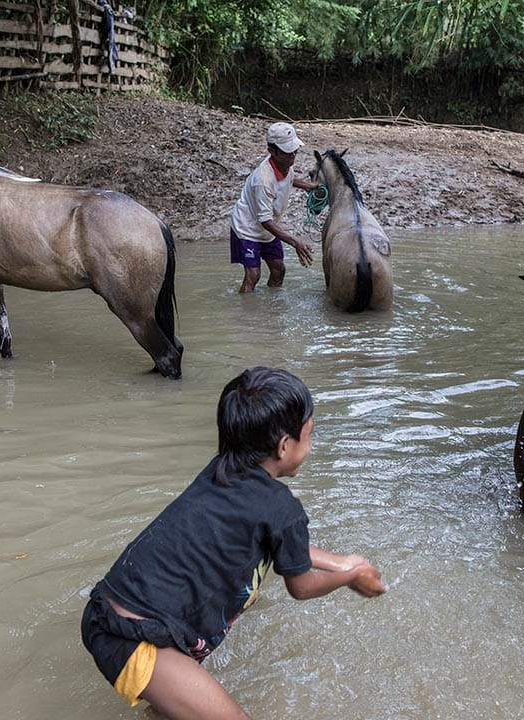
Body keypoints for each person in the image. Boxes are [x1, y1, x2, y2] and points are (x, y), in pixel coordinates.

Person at [81, 366, 387, 719]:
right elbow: (301, 587)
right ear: (285, 446)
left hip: (108, 612)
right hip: (137, 639)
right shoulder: (281, 507)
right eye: (309, 436)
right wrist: (350, 578)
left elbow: (281, 545)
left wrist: (340, 562)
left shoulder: (220, 473)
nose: (311, 446)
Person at [230, 122, 320, 293]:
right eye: (288, 151)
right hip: (247, 228)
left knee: (279, 270)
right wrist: (295, 242)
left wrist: (306, 185)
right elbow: (264, 220)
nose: (293, 155)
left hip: (268, 228)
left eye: (295, 150)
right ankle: (248, 313)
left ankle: (271, 308)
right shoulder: (263, 180)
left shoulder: (284, 163)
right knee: (253, 275)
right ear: (272, 151)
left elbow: (288, 178)